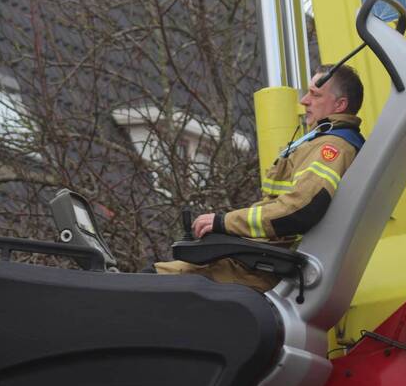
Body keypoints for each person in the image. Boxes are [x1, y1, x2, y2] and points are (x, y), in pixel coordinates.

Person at [154, 64, 365, 292]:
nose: (304, 100)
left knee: (151, 282)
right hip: (264, 262)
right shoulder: (324, 142)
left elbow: (300, 209)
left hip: (267, 270)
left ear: (340, 105)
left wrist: (223, 222)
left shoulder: (332, 147)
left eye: (315, 94)